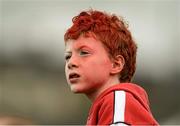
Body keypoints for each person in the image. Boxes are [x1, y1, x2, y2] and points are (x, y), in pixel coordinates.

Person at [64, 9, 159, 125]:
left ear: (116, 64)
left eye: (84, 53)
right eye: (67, 57)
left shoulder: (118, 100)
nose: (71, 63)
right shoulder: (111, 105)